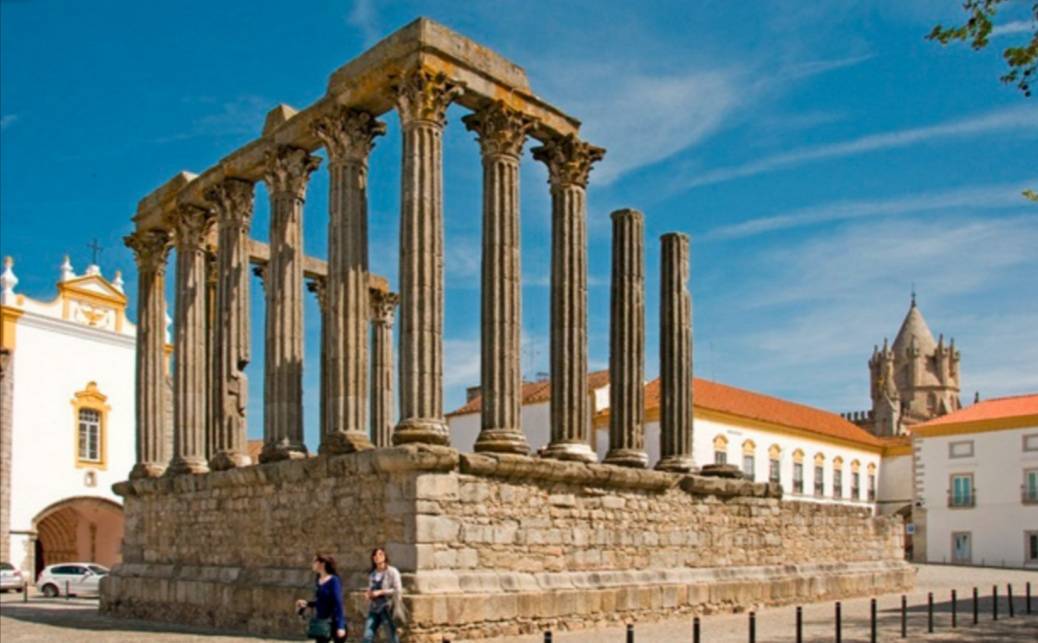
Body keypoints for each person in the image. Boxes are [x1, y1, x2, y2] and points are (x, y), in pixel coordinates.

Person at [295, 553, 347, 643]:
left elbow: (338, 603)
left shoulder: (334, 580)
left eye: (314, 561)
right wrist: (307, 603)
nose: (312, 564)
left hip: (334, 622)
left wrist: (340, 626)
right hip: (321, 622)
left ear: (322, 564)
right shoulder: (318, 580)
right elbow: (321, 601)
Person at [362, 547, 403, 643]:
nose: (377, 557)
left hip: (387, 608)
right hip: (374, 608)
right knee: (367, 635)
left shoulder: (392, 572)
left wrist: (381, 592)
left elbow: (398, 590)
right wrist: (368, 594)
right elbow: (371, 588)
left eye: (380, 554)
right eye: (375, 555)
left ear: (385, 557)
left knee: (392, 636)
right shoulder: (372, 574)